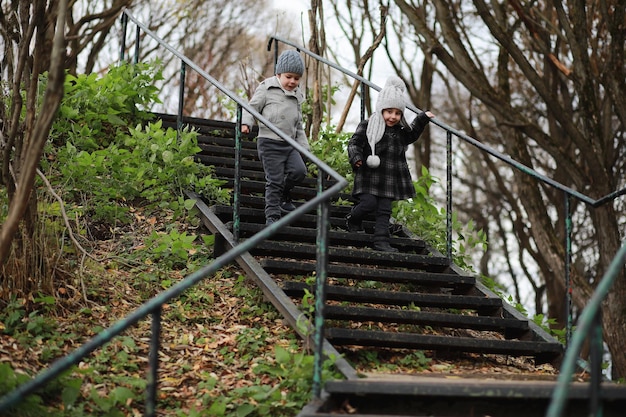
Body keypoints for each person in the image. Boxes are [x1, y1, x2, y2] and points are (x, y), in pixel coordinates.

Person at [346, 76, 434, 252]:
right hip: (368, 175)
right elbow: (354, 143)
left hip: (388, 178)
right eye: (389, 112)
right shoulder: (368, 125)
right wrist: (356, 157)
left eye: (397, 113)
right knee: (368, 204)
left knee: (385, 211)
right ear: (381, 110)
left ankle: (381, 242)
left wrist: (422, 118)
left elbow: (413, 134)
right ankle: (353, 219)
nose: (393, 117)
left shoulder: (400, 132)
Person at [241, 49, 308, 225]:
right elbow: (251, 107)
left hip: (290, 144)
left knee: (299, 172)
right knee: (275, 180)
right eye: (288, 77)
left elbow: (298, 124)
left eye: (296, 78)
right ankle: (272, 215)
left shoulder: (297, 95)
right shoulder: (267, 88)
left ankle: (284, 196)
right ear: (278, 74)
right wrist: (246, 123)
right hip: (269, 142)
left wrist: (304, 147)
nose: (292, 81)